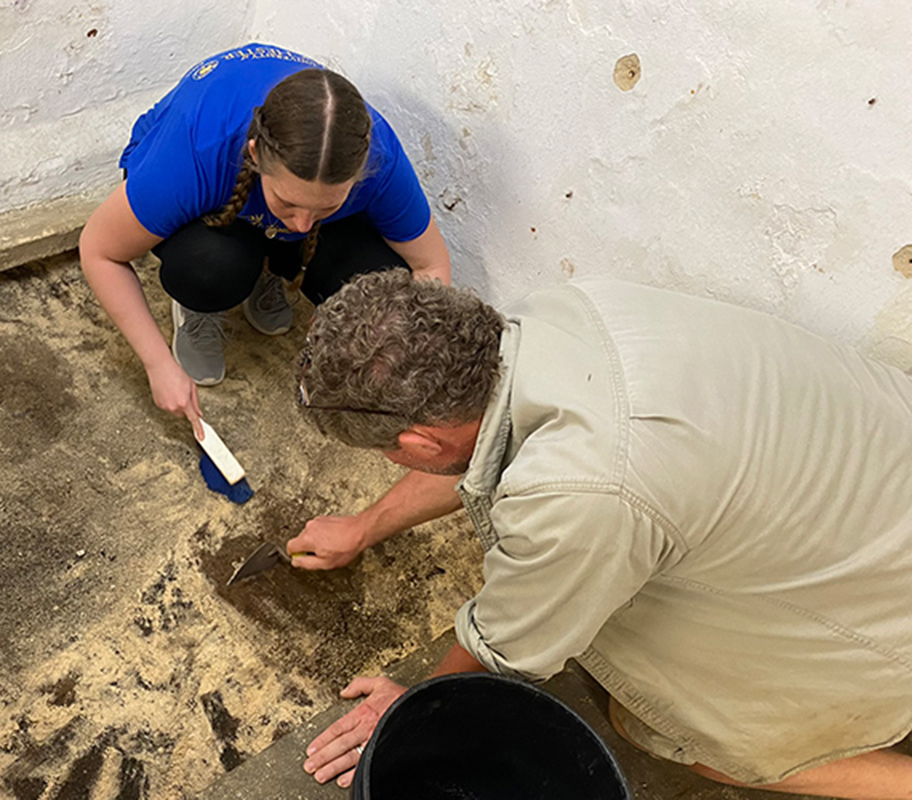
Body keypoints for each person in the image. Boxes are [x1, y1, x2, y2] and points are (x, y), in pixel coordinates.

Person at [289, 270, 912, 797]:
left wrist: (413, 707)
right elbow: (480, 451)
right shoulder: (553, 314)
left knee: (679, 736)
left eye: (399, 458)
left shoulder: (577, 493)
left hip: (885, 590)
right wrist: (365, 525)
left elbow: (507, 644)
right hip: (877, 456)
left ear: (418, 443)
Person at [79, 43, 451, 440]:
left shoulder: (379, 159)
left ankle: (272, 268)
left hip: (259, 196)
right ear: (255, 154)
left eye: (326, 206)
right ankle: (201, 306)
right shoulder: (200, 144)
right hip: (214, 204)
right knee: (210, 268)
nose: (304, 225)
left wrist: (398, 352)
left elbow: (431, 267)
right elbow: (99, 250)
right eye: (287, 202)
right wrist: (157, 365)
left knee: (379, 284)